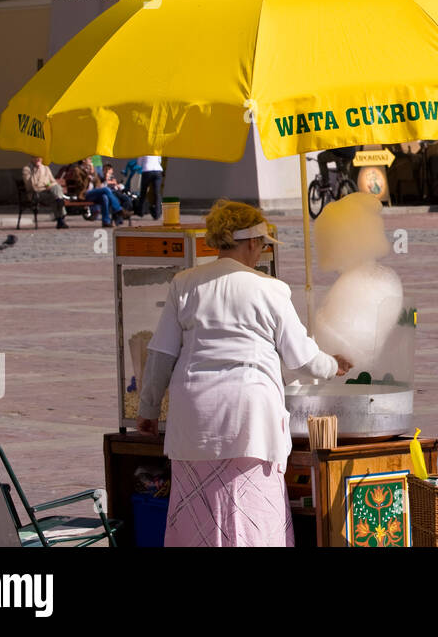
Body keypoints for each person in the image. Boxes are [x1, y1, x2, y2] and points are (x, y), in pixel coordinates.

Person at [137, 200, 353, 547]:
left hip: (195, 413)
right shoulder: (271, 289)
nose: (263, 252)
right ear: (252, 242)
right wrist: (333, 364)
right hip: (250, 414)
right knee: (253, 504)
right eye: (264, 245)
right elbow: (302, 359)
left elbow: (161, 353)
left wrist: (147, 409)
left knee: (197, 509)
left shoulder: (185, 284)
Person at [22, 156, 69, 229]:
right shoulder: (27, 169)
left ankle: (59, 202)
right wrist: (36, 170)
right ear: (32, 158)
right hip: (36, 194)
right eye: (36, 157)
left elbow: (53, 182)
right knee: (56, 198)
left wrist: (49, 185)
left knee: (56, 189)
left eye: (40, 157)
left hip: (48, 192)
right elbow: (32, 186)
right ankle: (61, 218)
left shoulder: (46, 168)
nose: (38, 159)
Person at [134, 155, 163, 219]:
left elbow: (139, 163)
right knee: (157, 193)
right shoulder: (156, 150)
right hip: (158, 170)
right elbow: (159, 161)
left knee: (143, 192)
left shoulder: (143, 151)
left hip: (147, 170)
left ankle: (141, 211)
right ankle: (157, 213)